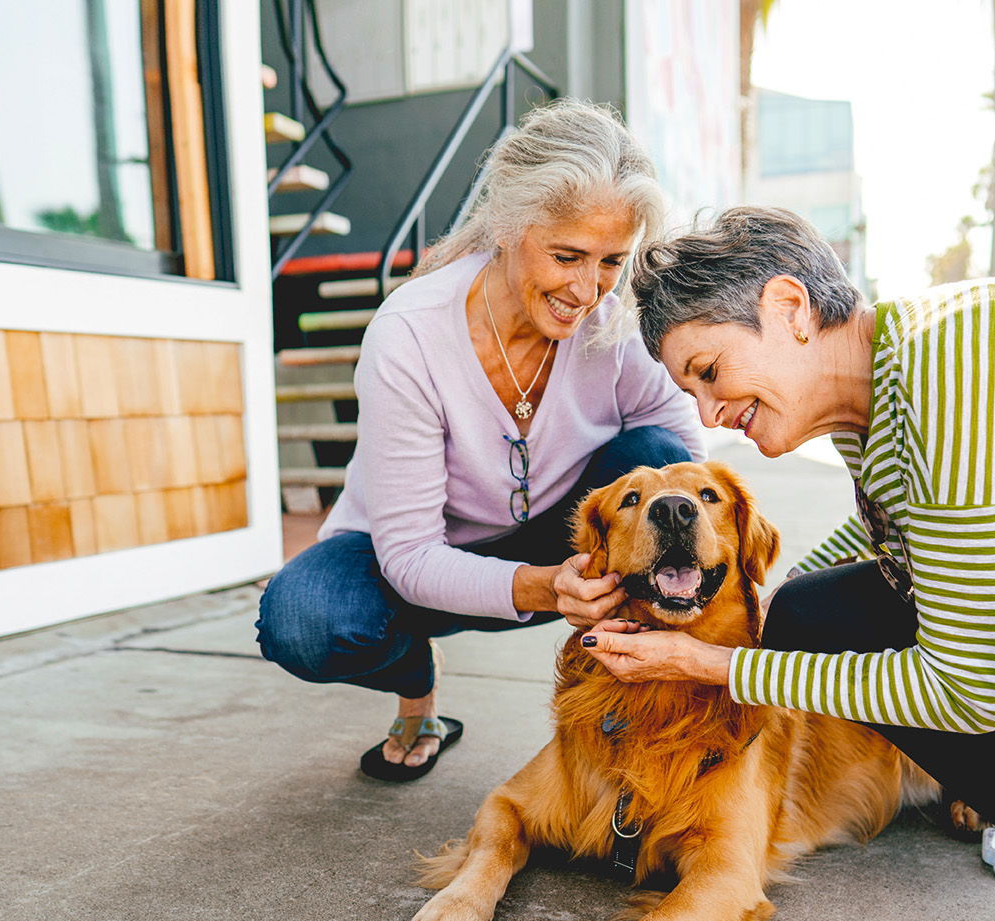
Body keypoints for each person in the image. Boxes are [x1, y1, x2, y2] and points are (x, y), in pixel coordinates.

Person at [576, 205, 995, 921]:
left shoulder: (961, 372)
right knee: (808, 618)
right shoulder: (875, 391)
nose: (709, 413)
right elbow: (904, 537)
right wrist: (761, 609)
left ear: (790, 310)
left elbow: (973, 689)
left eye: (710, 372)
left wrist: (718, 664)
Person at [254, 100, 705, 782]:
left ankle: (639, 703)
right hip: (422, 564)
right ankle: (416, 679)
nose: (587, 290)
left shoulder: (618, 326)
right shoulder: (409, 335)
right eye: (567, 255)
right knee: (303, 620)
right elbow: (407, 555)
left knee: (661, 467)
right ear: (506, 225)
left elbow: (689, 465)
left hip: (570, 546)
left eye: (612, 260)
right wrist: (544, 588)